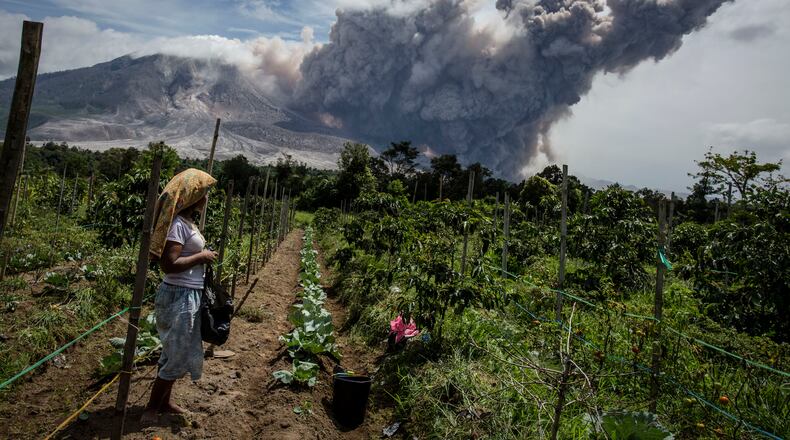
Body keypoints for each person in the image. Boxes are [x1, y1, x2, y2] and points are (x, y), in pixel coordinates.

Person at [142, 168, 217, 423]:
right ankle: (152, 408)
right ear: (194, 197)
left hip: (188, 293)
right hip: (179, 294)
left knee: (176, 350)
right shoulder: (177, 226)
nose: (207, 197)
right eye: (204, 192)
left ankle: (165, 402)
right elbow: (168, 264)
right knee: (176, 352)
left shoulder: (187, 224)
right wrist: (202, 256)